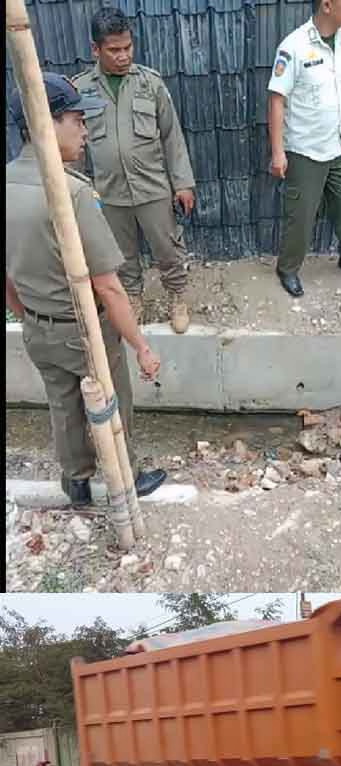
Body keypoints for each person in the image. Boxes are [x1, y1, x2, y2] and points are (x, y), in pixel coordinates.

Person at [6, 74, 168, 507]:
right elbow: (109, 287)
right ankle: (125, 478)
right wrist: (140, 346)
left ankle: (76, 482)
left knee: (63, 406)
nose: (85, 130)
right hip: (84, 330)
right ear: (48, 123)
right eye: (77, 120)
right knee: (111, 402)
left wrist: (29, 316)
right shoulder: (71, 192)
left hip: (39, 329)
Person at [70, 7, 196, 334]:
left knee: (168, 247)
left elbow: (172, 136)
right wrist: (79, 192)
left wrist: (182, 183)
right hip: (108, 193)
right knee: (121, 255)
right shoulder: (81, 90)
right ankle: (133, 299)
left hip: (153, 187)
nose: (123, 56)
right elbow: (75, 146)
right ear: (96, 49)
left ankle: (177, 296)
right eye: (114, 50)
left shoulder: (149, 84)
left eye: (128, 48)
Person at [267, 0, 341, 297]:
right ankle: (288, 268)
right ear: (327, 5)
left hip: (339, 144)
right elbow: (276, 99)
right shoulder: (294, 46)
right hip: (306, 149)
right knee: (301, 216)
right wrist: (278, 153)